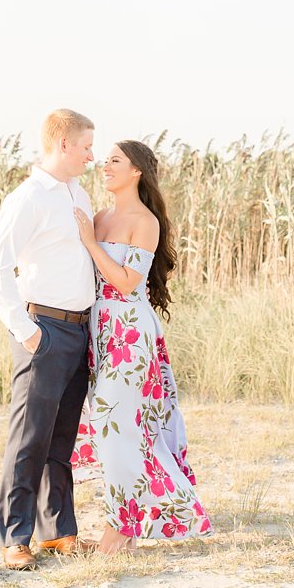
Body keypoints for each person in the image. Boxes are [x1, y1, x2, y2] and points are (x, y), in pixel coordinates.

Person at [71, 139, 211, 555]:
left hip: (130, 331)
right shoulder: (99, 216)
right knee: (109, 427)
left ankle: (122, 529)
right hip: (99, 330)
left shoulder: (143, 221)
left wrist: (91, 243)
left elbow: (128, 282)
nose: (105, 166)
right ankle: (126, 522)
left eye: (115, 161)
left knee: (118, 429)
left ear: (136, 171)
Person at [0, 109, 99, 570]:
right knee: (29, 437)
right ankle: (15, 537)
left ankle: (59, 531)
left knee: (62, 437)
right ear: (63, 144)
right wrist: (26, 332)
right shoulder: (28, 198)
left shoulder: (80, 194)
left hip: (80, 326)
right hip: (44, 329)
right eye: (87, 146)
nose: (92, 155)